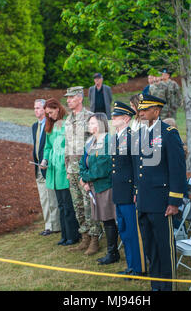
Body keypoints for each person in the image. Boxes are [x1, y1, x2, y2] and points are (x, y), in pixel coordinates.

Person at [134, 93, 188, 291]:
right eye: (140, 109)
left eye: (145, 109)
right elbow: (139, 167)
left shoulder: (169, 133)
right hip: (144, 200)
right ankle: (156, 285)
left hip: (162, 201)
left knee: (164, 247)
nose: (141, 113)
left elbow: (177, 168)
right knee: (150, 246)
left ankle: (168, 286)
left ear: (156, 111)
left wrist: (174, 200)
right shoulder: (141, 133)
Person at [64, 86, 103, 255]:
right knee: (77, 205)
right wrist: (67, 168)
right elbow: (67, 145)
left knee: (89, 206)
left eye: (71, 97)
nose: (68, 100)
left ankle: (95, 239)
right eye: (67, 97)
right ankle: (85, 236)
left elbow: (96, 145)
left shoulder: (89, 118)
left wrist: (89, 171)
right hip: (71, 169)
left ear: (80, 98)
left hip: (84, 170)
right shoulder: (68, 119)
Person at [110, 102, 147, 277]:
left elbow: (136, 167)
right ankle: (131, 265)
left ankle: (139, 268)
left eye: (116, 116)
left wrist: (136, 191)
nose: (113, 118)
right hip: (119, 192)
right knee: (124, 231)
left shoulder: (133, 138)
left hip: (129, 192)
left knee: (134, 232)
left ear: (126, 118)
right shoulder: (116, 137)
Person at [79, 113, 119, 265]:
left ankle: (113, 253)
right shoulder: (90, 142)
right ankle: (112, 251)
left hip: (106, 186)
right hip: (95, 186)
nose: (89, 126)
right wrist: (84, 178)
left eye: (92, 123)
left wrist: (86, 177)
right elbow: (83, 163)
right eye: (89, 123)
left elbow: (102, 167)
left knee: (109, 219)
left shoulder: (108, 140)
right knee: (105, 219)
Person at [41, 98, 80, 246]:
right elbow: (48, 146)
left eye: (50, 112)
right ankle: (64, 235)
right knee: (61, 205)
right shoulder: (50, 125)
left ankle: (73, 235)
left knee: (69, 204)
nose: (49, 115)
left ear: (57, 109)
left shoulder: (68, 123)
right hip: (54, 169)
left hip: (65, 168)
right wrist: (45, 160)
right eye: (47, 113)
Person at [32, 99, 60, 236]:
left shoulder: (52, 124)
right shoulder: (34, 126)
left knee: (52, 198)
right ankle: (48, 225)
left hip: (48, 166)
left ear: (44, 109)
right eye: (34, 108)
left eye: (38, 108)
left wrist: (46, 161)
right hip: (38, 167)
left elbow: (50, 146)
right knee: (44, 199)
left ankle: (55, 225)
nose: (35, 110)